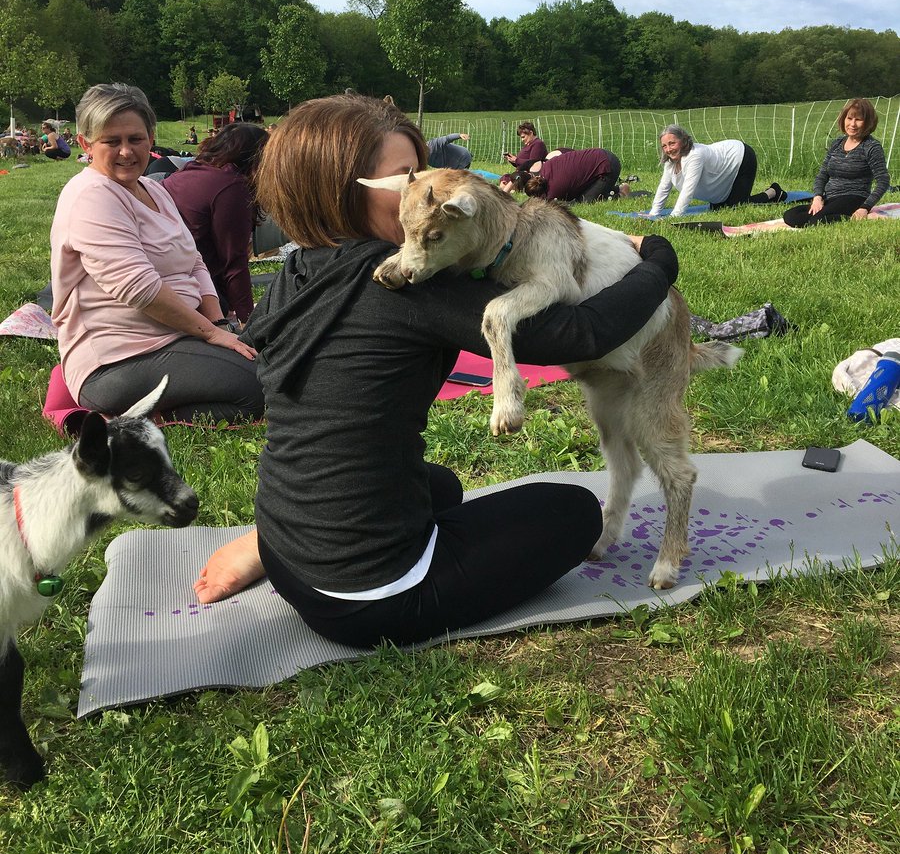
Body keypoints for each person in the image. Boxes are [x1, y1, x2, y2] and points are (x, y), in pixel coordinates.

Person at [192, 93, 679, 649]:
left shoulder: (298, 266)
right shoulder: (407, 284)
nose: (426, 189)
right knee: (573, 512)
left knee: (441, 484)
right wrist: (658, 261)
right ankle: (368, 568)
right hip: (372, 599)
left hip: (287, 550)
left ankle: (268, 543)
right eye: (407, 177)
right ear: (346, 190)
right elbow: (584, 333)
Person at [50, 83, 264, 423]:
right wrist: (211, 334)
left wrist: (218, 321)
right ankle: (143, 418)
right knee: (262, 385)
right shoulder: (91, 196)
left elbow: (194, 260)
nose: (126, 152)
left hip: (178, 336)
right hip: (118, 357)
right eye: (112, 141)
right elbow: (139, 288)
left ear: (151, 138)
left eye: (135, 139)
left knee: (272, 360)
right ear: (86, 144)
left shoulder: (153, 189)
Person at [161, 123, 268, 327]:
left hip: (166, 281)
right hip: (191, 292)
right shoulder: (232, 186)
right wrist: (249, 322)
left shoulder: (190, 170)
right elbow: (234, 262)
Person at [783, 99, 890, 228]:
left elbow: (883, 181)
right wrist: (817, 197)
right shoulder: (837, 143)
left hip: (855, 198)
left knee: (816, 222)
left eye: (858, 120)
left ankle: (860, 217)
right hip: (831, 198)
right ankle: (838, 216)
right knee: (791, 216)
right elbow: (822, 175)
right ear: (843, 119)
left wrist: (865, 207)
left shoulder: (871, 147)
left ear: (868, 122)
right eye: (849, 118)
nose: (852, 124)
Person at [648, 126, 783, 218]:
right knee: (718, 208)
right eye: (664, 146)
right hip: (723, 169)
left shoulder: (695, 155)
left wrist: (675, 216)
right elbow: (664, 187)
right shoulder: (670, 162)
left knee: (735, 207)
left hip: (741, 157)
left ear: (683, 141)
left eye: (672, 143)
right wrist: (654, 213)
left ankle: (773, 192)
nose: (668, 149)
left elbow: (688, 189)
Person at [516, 147, 626, 202]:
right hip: (600, 154)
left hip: (608, 166)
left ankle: (621, 193)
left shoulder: (554, 190)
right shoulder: (545, 167)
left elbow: (567, 202)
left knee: (585, 200)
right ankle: (613, 189)